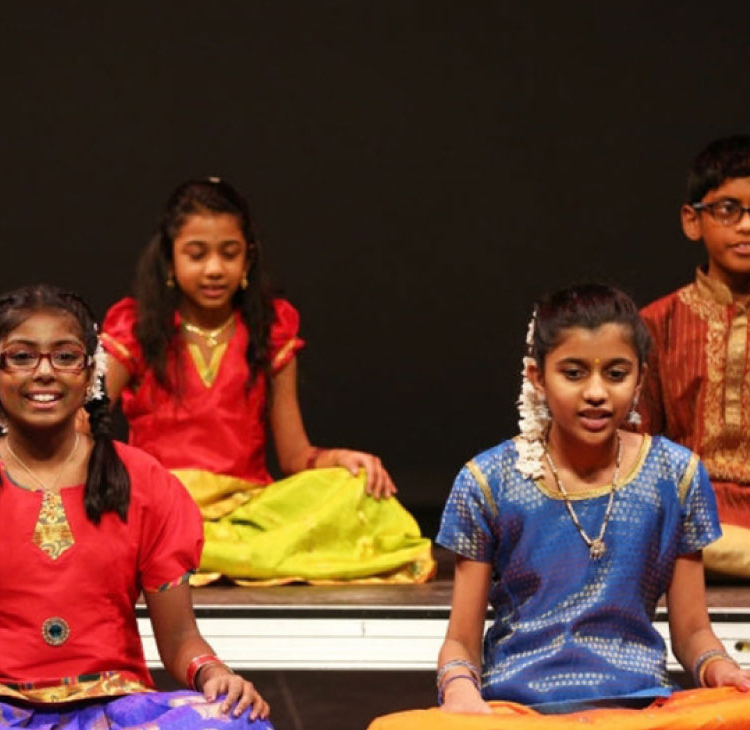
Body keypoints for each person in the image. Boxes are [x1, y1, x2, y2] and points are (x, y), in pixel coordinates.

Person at [0, 285, 272, 729]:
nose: (45, 372)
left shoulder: (144, 481)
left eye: (65, 356)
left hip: (114, 711)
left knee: (235, 722)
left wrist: (214, 672)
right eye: (21, 357)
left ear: (91, 373)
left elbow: (179, 637)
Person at [371, 284, 750, 729]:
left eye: (615, 373)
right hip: (521, 714)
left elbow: (693, 632)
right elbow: (460, 642)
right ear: (537, 377)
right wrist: (460, 692)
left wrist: (723, 671)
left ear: (641, 378)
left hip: (638, 713)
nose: (595, 392)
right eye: (573, 373)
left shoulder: (675, 474)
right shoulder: (489, 480)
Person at [100, 177, 432, 585]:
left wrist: (341, 460)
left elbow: (295, 456)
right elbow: (85, 419)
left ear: (249, 258)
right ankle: (205, 549)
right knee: (105, 505)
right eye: (197, 254)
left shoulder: (271, 327)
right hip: (159, 503)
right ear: (169, 260)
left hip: (248, 511)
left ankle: (206, 551)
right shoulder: (135, 326)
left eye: (229, 253)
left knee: (356, 489)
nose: (214, 269)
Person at [639, 135, 750, 578]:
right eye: (728, 210)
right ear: (693, 220)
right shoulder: (656, 324)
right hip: (687, 517)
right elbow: (635, 445)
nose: (745, 226)